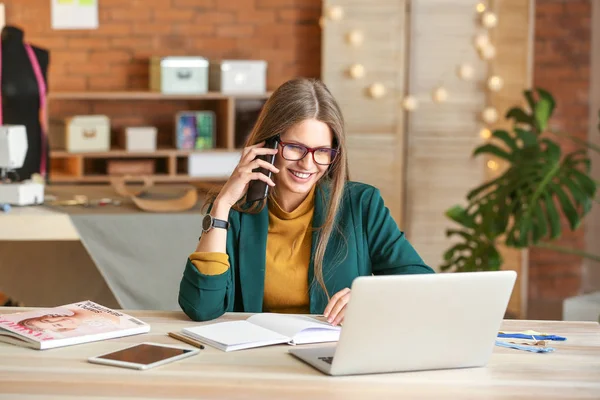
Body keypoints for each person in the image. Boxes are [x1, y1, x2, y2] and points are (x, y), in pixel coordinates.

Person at [178, 78, 434, 326]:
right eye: (295, 148)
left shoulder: (362, 205)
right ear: (268, 145)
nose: (308, 164)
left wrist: (370, 297)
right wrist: (222, 205)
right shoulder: (235, 211)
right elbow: (202, 308)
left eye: (322, 151)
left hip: (330, 354)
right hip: (255, 358)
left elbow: (422, 284)